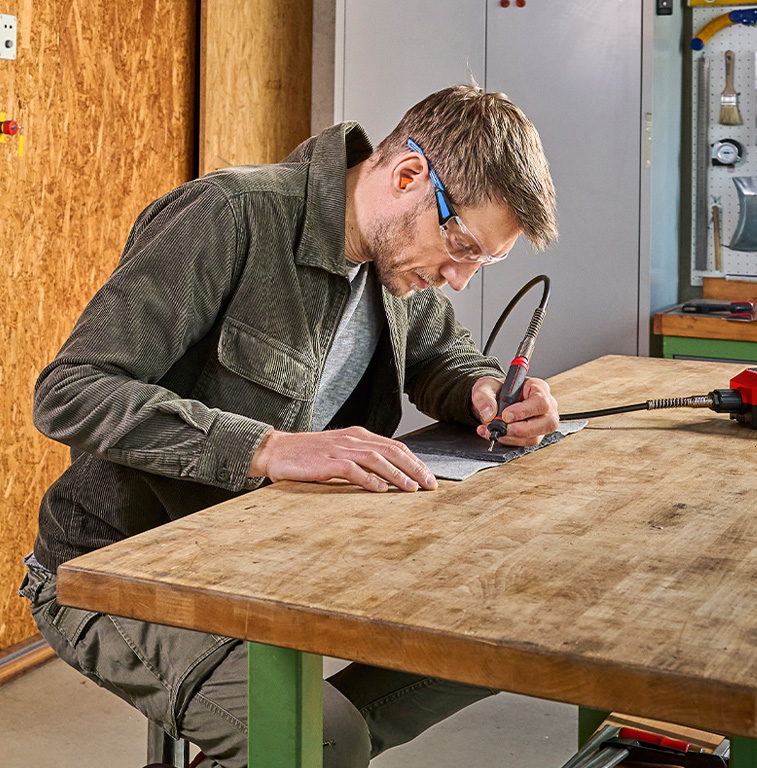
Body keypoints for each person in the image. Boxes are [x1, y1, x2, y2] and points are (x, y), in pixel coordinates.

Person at [21, 85, 559, 768]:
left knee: (508, 627)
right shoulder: (230, 216)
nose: (459, 278)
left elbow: (438, 355)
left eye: (483, 261)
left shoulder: (395, 266)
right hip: (114, 568)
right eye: (461, 246)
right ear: (408, 177)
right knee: (326, 741)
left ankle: (289, 748)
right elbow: (70, 392)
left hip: (268, 563)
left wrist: (485, 390)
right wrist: (269, 448)